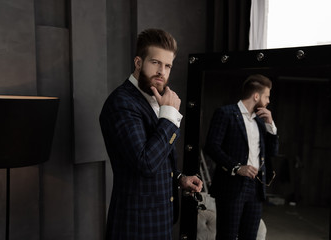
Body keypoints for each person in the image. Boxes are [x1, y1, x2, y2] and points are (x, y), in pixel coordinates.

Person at [99, 28, 203, 240]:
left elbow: (159, 155)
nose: (162, 72)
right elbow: (145, 162)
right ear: (138, 63)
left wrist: (180, 178)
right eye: (155, 63)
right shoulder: (122, 103)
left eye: (167, 66)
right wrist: (170, 118)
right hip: (135, 225)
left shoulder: (157, 98)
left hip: (160, 219)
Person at [205, 74, 279, 240]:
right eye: (267, 96)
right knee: (227, 236)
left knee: (250, 236)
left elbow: (272, 153)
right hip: (231, 186)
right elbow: (211, 147)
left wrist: (271, 125)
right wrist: (237, 167)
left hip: (256, 187)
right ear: (256, 96)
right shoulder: (225, 113)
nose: (268, 101)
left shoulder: (261, 122)